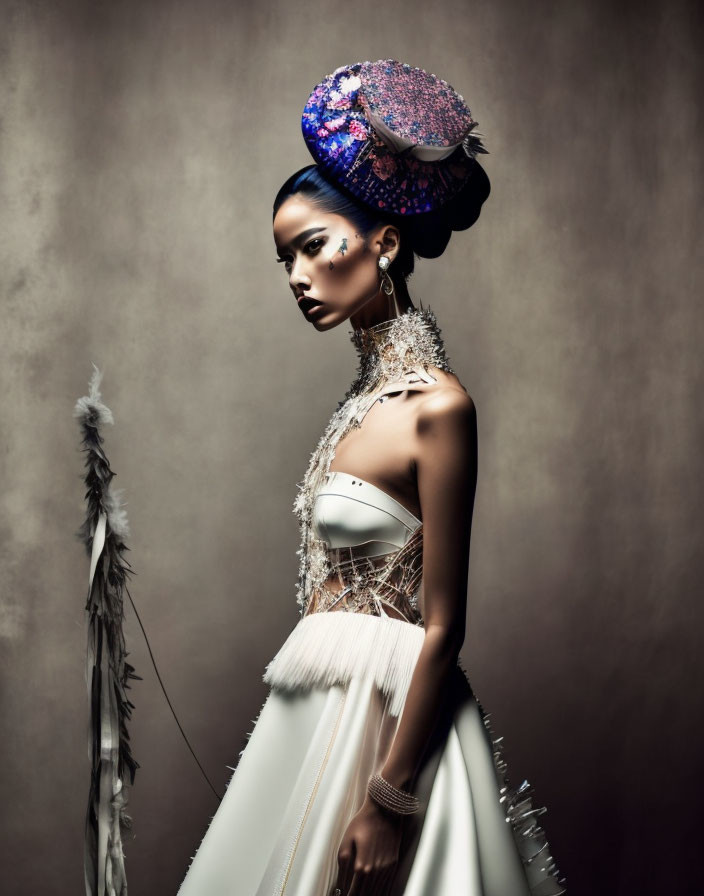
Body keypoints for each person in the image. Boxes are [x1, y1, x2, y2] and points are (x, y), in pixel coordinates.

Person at [176, 59, 566, 896]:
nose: (297, 278)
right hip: (315, 714)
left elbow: (444, 625)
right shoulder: (360, 400)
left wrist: (388, 800)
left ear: (383, 243)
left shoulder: (438, 408)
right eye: (286, 259)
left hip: (390, 728)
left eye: (315, 247)